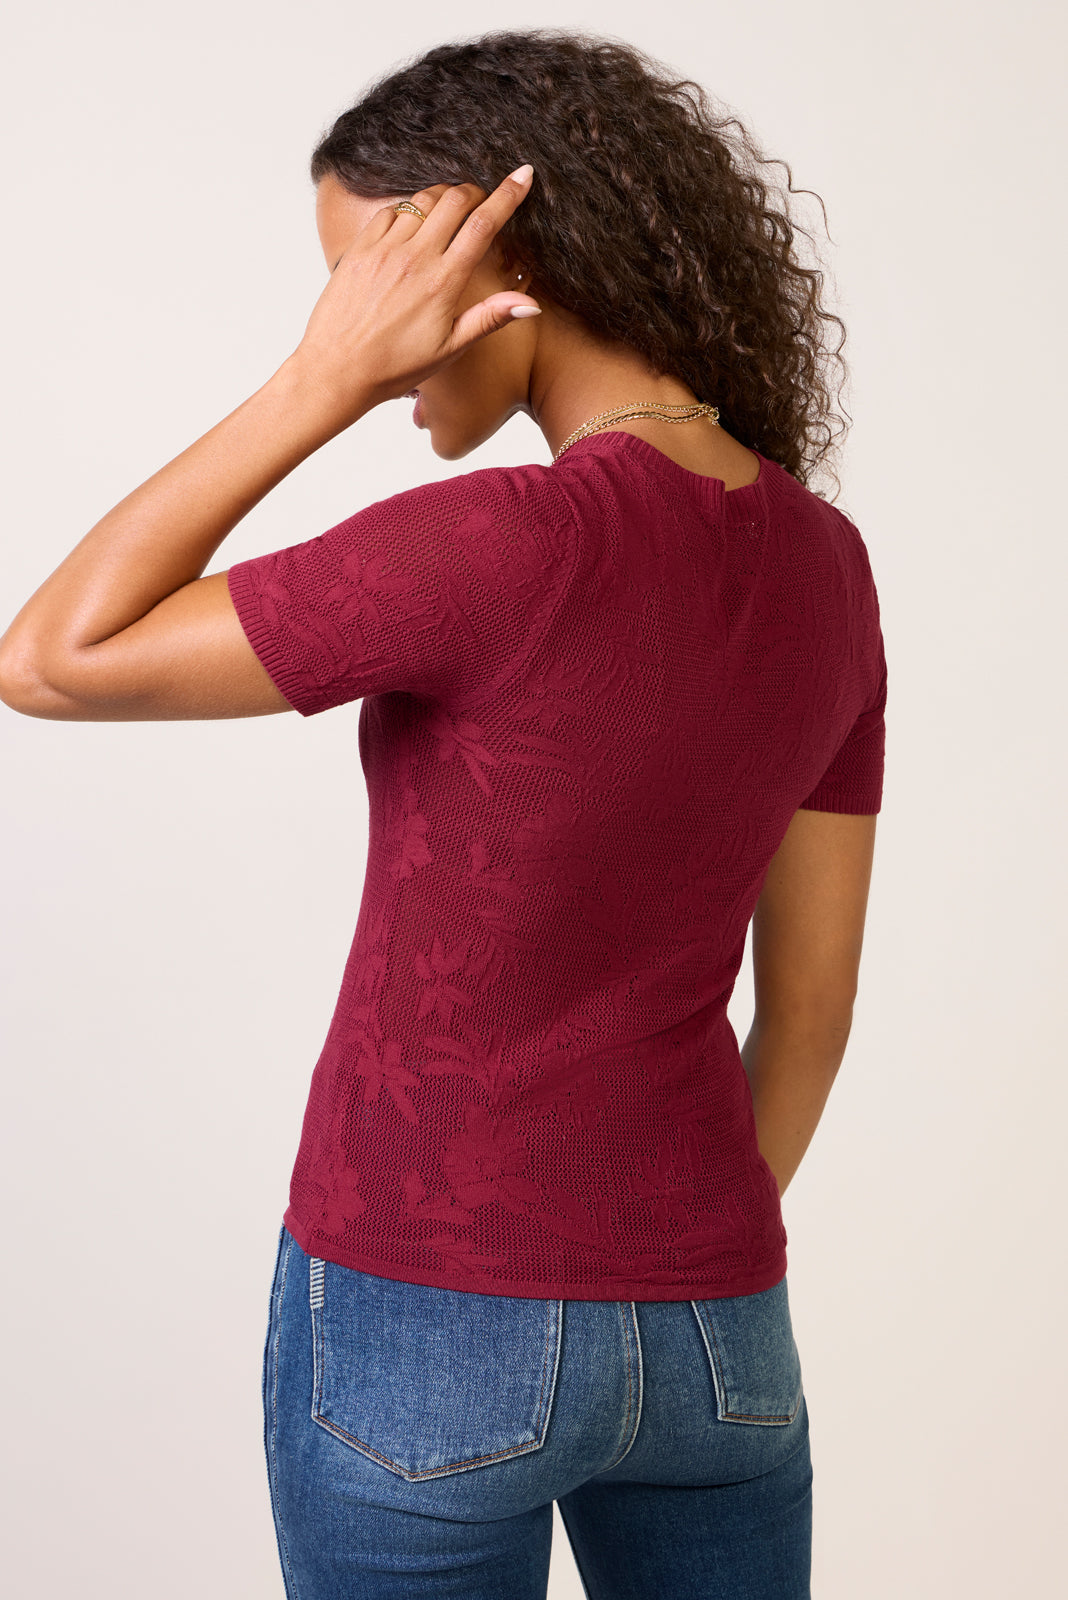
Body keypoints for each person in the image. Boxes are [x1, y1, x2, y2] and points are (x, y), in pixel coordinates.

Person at [0, 26, 887, 1600]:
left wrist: (315, 386)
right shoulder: (827, 567)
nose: (369, 340)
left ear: (501, 248)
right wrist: (659, 1271)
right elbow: (811, 1015)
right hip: (717, 1336)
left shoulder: (499, 543)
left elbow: (53, 657)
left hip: (429, 1314)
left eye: (368, 286)